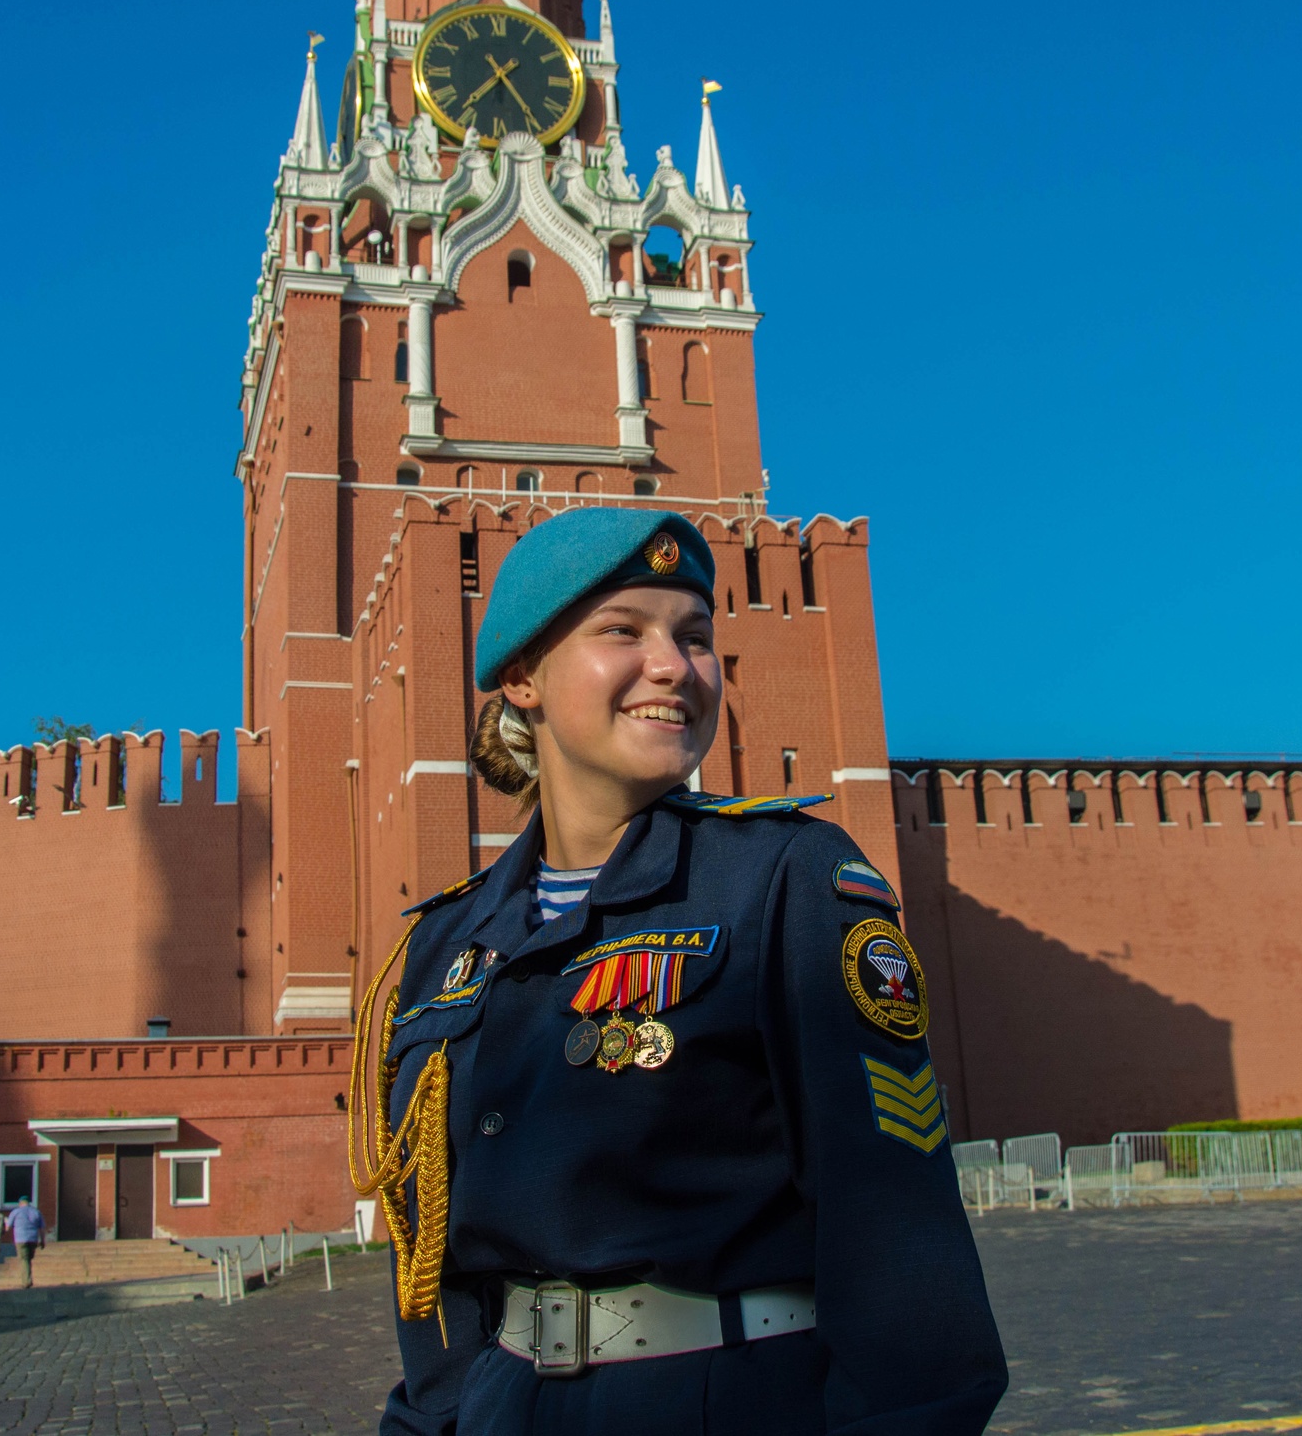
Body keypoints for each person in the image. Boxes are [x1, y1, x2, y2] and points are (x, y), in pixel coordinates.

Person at [352, 510, 1006, 1436]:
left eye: (694, 638)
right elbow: (428, 1256)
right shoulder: (445, 943)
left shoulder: (784, 880)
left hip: (726, 1401)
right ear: (522, 679)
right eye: (623, 630)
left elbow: (896, 1229)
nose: (675, 666)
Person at [6, 1191, 45, 1288]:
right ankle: (27, 1278)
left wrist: (6, 1222)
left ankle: (26, 1281)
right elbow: (42, 1228)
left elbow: (8, 1227)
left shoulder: (15, 1212)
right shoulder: (36, 1212)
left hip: (21, 1239)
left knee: (24, 1260)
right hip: (33, 1239)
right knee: (28, 1259)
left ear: (20, 1203)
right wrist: (42, 1240)